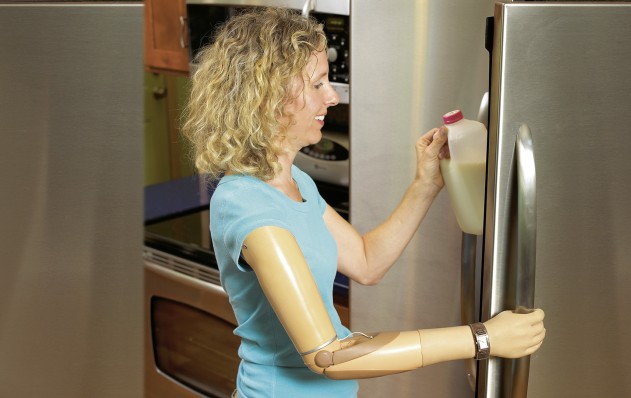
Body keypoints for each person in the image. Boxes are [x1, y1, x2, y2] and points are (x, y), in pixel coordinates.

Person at [182, 7, 545, 398]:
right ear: (268, 96)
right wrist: (482, 339)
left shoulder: (294, 182)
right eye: (318, 84)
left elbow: (366, 262)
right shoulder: (247, 206)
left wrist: (426, 184)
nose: (333, 97)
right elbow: (328, 356)